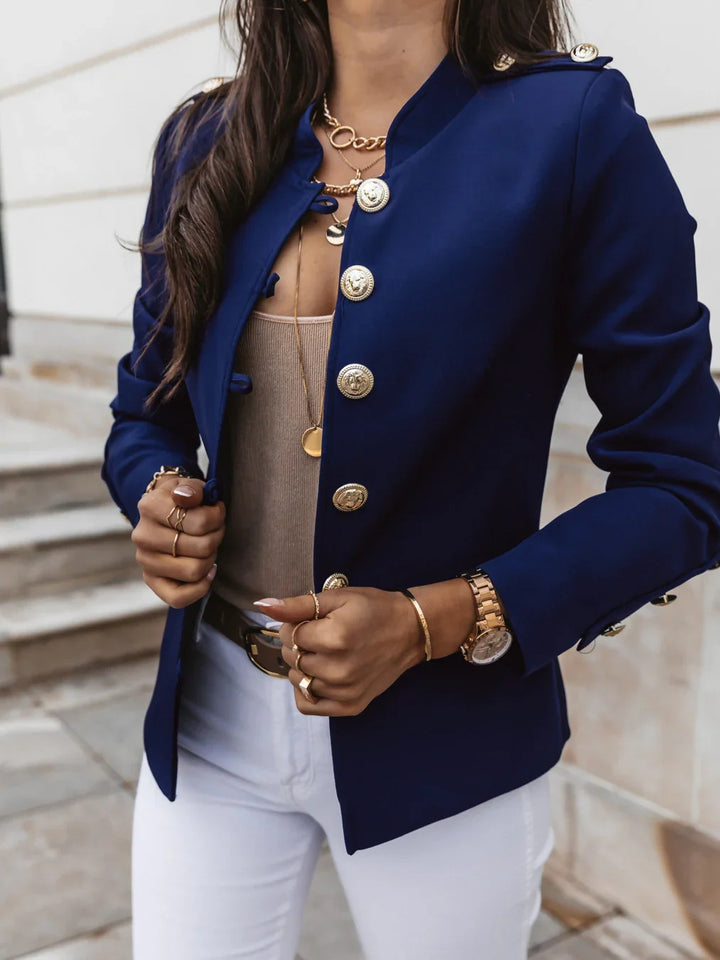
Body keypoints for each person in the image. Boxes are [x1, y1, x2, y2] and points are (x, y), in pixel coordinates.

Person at [101, 0, 720, 957]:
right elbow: (145, 413)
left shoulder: (574, 127)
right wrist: (156, 498)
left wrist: (441, 617)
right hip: (210, 720)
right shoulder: (206, 137)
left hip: (449, 747)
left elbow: (684, 482)